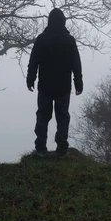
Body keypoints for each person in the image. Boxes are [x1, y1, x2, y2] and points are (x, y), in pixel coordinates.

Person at [26, 8, 83, 158]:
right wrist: (78, 82)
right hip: (63, 86)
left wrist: (30, 79)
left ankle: (40, 149)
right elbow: (76, 63)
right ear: (63, 21)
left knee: (43, 116)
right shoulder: (69, 40)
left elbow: (33, 62)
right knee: (62, 116)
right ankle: (62, 149)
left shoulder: (42, 39)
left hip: (45, 86)